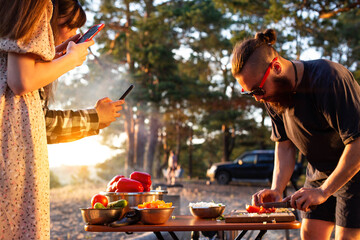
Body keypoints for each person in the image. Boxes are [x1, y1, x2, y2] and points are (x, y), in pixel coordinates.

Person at [231, 29, 360, 240]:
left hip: (355, 171)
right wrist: (277, 188)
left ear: (276, 67)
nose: (257, 99)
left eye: (258, 91)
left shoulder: (328, 79)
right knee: (309, 234)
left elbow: (358, 142)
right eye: (251, 93)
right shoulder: (272, 96)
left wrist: (324, 192)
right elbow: (284, 144)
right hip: (319, 173)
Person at [0, 0, 93, 239]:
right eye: (70, 26)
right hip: (12, 139)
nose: (74, 34)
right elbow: (22, 80)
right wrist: (70, 60)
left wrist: (53, 56)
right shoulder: (33, 3)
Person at [43, 0, 124, 144]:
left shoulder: (37, 63)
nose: (74, 35)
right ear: (48, 19)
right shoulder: (25, 66)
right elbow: (40, 123)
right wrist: (95, 117)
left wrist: (96, 120)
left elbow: (41, 132)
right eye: (70, 26)